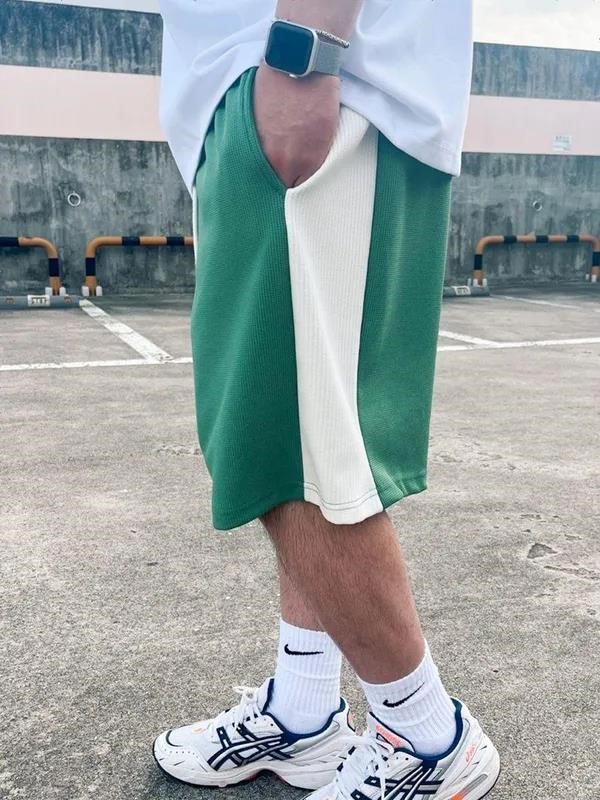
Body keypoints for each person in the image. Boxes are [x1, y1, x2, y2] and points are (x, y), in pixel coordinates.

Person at [153, 1, 501, 798]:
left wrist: (303, 53)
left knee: (285, 445)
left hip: (305, 79)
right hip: (288, 86)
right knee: (302, 444)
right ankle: (304, 711)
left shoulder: (301, 67)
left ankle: (428, 737)